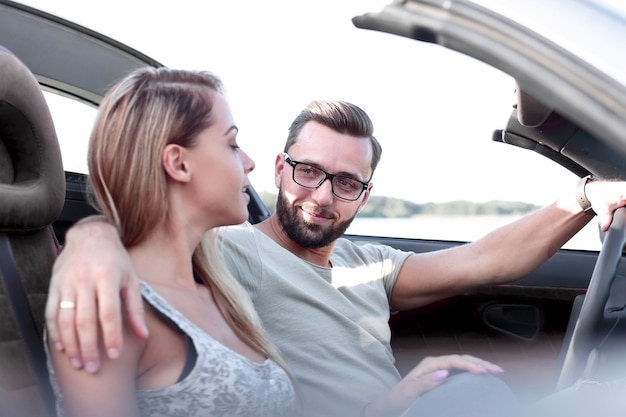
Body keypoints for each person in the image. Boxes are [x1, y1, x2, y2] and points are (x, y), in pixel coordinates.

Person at [46, 100, 626, 416]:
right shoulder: (226, 250)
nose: (322, 197)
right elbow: (146, 238)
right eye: (308, 173)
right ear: (279, 169)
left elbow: (488, 260)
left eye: (346, 183)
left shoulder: (371, 262)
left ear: (365, 194)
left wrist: (583, 196)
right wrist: (88, 241)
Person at [44, 67, 296, 417]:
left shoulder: (218, 289)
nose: (250, 163)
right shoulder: (106, 304)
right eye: (232, 144)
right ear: (178, 163)